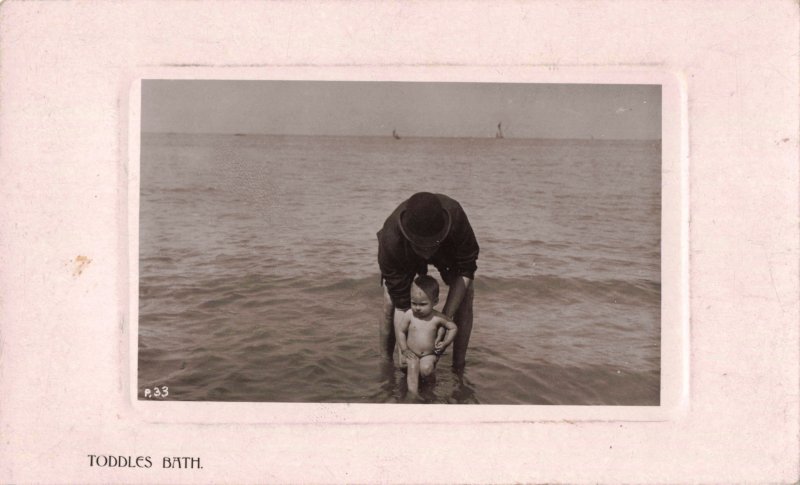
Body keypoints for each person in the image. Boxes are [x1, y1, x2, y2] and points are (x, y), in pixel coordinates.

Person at [377, 192, 479, 369]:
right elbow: (403, 305)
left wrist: (443, 320)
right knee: (390, 302)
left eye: (430, 245)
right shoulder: (391, 239)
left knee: (466, 295)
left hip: (446, 248)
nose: (426, 252)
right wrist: (407, 352)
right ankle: (386, 363)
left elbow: (466, 270)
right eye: (420, 245)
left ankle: (458, 365)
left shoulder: (456, 219)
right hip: (405, 251)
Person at [396, 275, 458, 396]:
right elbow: (400, 331)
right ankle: (412, 395)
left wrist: (445, 343)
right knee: (412, 365)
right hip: (411, 353)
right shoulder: (409, 314)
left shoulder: (436, 317)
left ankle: (430, 391)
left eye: (423, 304)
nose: (417, 308)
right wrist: (404, 349)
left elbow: (453, 327)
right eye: (414, 303)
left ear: (435, 302)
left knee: (426, 369)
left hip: (428, 355)